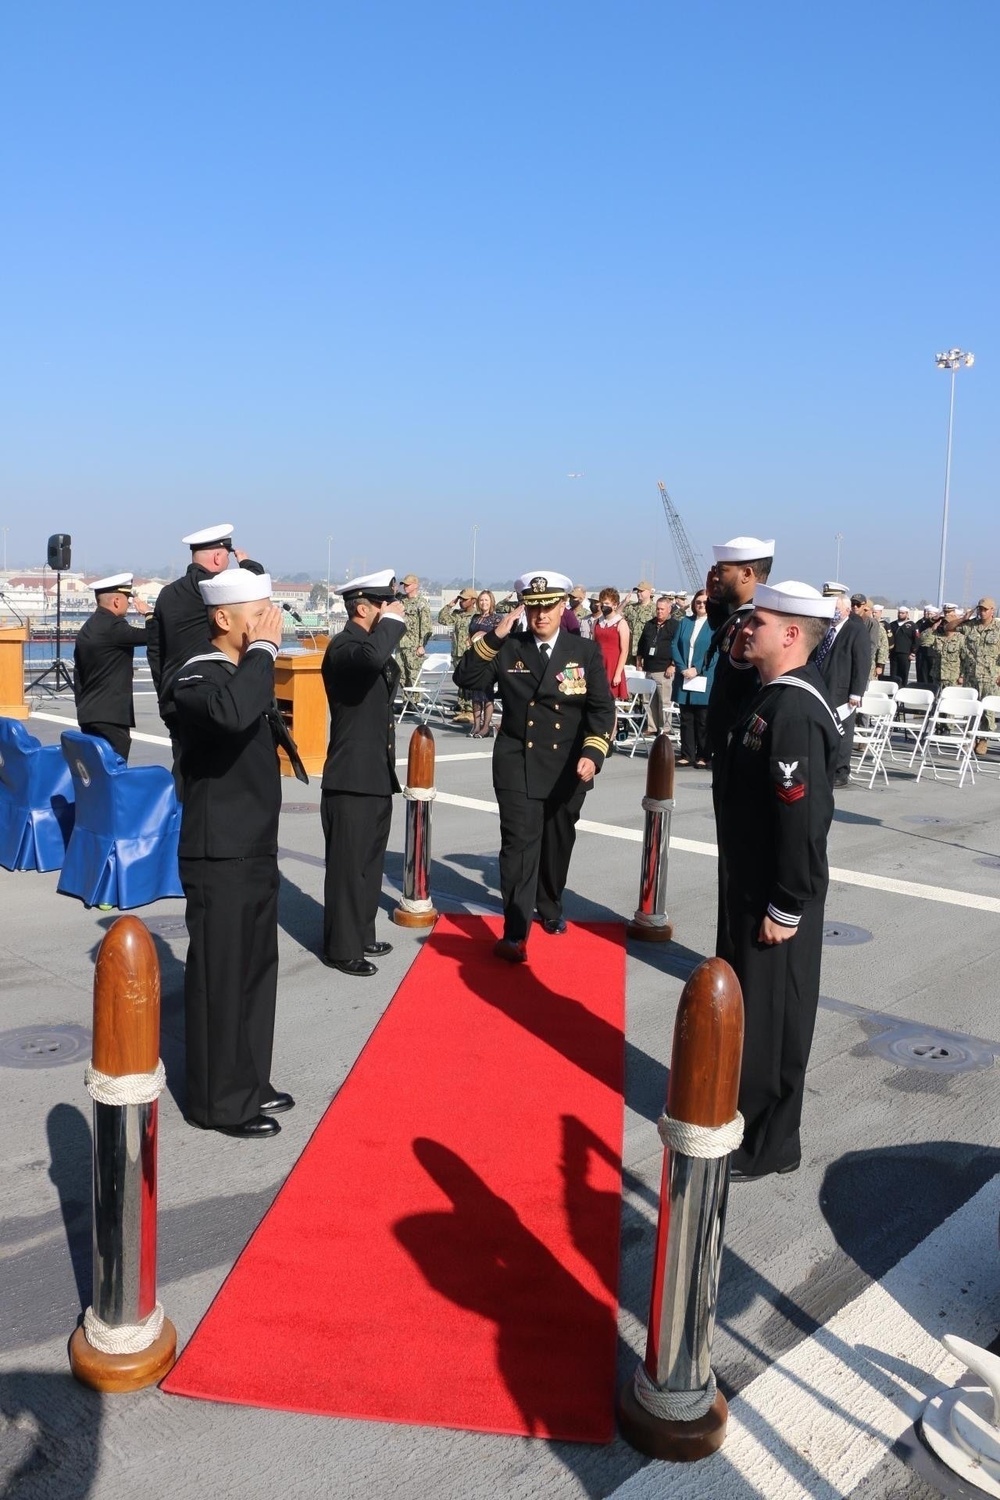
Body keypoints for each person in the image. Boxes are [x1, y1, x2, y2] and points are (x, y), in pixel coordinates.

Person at [716, 580, 842, 1181]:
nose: (746, 630)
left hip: (774, 892)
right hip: (750, 885)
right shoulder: (772, 695)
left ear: (792, 634)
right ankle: (752, 1120)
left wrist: (787, 904)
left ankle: (768, 1143)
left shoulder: (793, 710)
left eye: (757, 623)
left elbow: (802, 821)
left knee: (772, 1020)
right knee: (753, 1014)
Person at [172, 568, 295, 1140]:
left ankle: (249, 1079)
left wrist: (260, 654)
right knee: (220, 979)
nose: (269, 622)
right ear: (223, 619)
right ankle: (219, 1102)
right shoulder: (195, 677)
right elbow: (229, 714)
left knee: (254, 973)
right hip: (218, 850)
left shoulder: (243, 670)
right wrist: (264, 653)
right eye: (258, 613)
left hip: (254, 846)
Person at [453, 571, 615, 962]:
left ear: (564, 607)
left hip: (567, 764)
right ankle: (515, 931)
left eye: (548, 606)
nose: (541, 614)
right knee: (518, 846)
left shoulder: (585, 651)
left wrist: (593, 755)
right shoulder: (509, 648)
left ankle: (551, 902)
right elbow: (466, 677)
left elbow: (601, 709)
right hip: (517, 760)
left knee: (557, 842)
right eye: (533, 606)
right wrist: (494, 637)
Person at [320, 570, 406, 976]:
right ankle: (342, 946)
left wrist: (387, 624)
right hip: (350, 776)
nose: (391, 609)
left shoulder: (366, 644)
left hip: (374, 772)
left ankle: (362, 932)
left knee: (369, 864)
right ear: (363, 607)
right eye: (384, 603)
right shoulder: (345, 647)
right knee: (347, 866)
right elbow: (372, 659)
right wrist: (392, 623)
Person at [146, 523, 266, 790]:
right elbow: (255, 591)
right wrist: (248, 564)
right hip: (211, 696)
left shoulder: (167, 594)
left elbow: (155, 650)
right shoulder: (215, 591)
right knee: (211, 779)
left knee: (183, 769)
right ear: (218, 557)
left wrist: (164, 691)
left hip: (174, 698)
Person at [704, 535, 775, 959]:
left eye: (724, 571)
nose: (717, 576)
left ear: (747, 574)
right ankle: (727, 954)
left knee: (738, 866)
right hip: (729, 754)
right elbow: (720, 624)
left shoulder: (754, 625)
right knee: (729, 863)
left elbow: (747, 696)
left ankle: (733, 960)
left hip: (741, 758)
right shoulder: (740, 620)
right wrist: (714, 594)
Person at [72, 573, 151, 761]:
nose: (130, 603)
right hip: (110, 716)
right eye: (127, 599)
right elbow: (152, 636)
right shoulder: (114, 626)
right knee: (114, 770)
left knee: (94, 771)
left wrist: (82, 706)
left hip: (89, 713)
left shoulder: (88, 627)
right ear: (116, 601)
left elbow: (78, 674)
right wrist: (149, 614)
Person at [813, 583, 871, 788]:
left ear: (847, 610)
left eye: (837, 608)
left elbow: (862, 663)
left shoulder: (856, 630)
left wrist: (857, 692)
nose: (834, 612)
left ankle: (840, 771)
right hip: (821, 687)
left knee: (843, 732)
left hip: (843, 692)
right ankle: (824, 768)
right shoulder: (825, 628)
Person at [671, 589, 715, 765]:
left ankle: (704, 755)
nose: (701, 605)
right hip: (685, 676)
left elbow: (715, 652)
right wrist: (682, 668)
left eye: (705, 603)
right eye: (698, 602)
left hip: (703, 677)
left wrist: (697, 669)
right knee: (686, 717)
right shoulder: (685, 622)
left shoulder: (714, 625)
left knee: (703, 719)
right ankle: (687, 754)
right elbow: (674, 645)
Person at [960, 598, 1000, 751]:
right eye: (980, 609)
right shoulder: (971, 626)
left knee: (988, 709)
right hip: (971, 674)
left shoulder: (998, 627)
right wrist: (962, 619)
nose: (982, 612)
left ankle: (984, 738)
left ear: (992, 610)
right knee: (971, 707)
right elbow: (948, 628)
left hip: (991, 675)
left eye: (985, 609)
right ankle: (971, 736)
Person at [635, 595, 678, 734]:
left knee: (664, 701)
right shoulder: (650, 624)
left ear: (669, 609)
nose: (659, 612)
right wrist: (638, 661)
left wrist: (673, 664)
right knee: (648, 701)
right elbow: (641, 643)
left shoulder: (675, 626)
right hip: (649, 667)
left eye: (662, 609)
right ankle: (652, 727)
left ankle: (665, 728)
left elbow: (678, 646)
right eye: (658, 609)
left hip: (664, 669)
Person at [593, 587, 631, 737]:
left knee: (610, 704)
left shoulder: (621, 623)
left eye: (607, 603)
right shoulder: (597, 622)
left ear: (615, 605)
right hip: (598, 666)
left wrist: (617, 674)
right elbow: (592, 643)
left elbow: (625, 650)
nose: (604, 606)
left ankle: (611, 736)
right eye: (602, 603)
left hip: (613, 666)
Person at [438, 588, 478, 723]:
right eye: (460, 599)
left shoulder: (477, 615)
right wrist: (450, 605)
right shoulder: (457, 614)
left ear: (473, 600)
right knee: (460, 681)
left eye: (465, 599)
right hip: (457, 653)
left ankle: (470, 710)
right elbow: (442, 619)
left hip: (470, 653)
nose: (461, 602)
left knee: (469, 682)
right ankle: (463, 709)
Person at [468, 589, 504, 738]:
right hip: (475, 658)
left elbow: (500, 637)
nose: (483, 603)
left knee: (487, 692)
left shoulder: (496, 618)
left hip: (489, 658)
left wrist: (485, 636)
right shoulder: (475, 618)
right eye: (481, 600)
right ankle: (476, 725)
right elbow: (470, 635)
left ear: (491, 602)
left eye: (486, 600)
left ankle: (485, 726)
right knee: (475, 693)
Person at [397, 573, 433, 688]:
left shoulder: (421, 603)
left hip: (414, 645)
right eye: (404, 585)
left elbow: (426, 626)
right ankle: (406, 701)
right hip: (400, 643)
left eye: (408, 585)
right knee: (401, 674)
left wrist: (422, 645)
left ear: (415, 585)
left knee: (413, 674)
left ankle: (414, 703)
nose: (405, 587)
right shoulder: (400, 600)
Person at [622, 582, 655, 665]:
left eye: (641, 591)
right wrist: (624, 603)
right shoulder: (631, 607)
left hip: (644, 652)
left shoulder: (655, 609)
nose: (638, 593)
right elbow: (615, 616)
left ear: (649, 592)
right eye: (638, 591)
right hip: (629, 651)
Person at [887, 606, 918, 687]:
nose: (900, 615)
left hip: (905, 653)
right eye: (899, 613)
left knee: (903, 673)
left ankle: (902, 687)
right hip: (894, 653)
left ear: (907, 614)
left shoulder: (912, 625)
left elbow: (916, 640)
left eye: (902, 613)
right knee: (893, 673)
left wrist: (913, 652)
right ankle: (893, 688)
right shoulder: (892, 624)